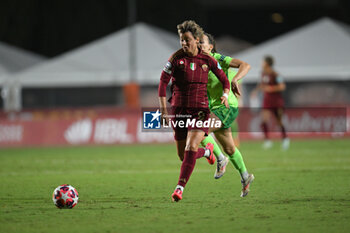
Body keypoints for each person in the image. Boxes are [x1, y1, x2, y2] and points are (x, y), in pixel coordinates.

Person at [158, 21, 230, 202]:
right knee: (183, 156)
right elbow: (162, 83)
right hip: (179, 110)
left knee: (191, 147)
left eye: (187, 40)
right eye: (182, 40)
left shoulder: (208, 59)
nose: (183, 43)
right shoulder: (175, 58)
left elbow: (224, 80)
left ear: (197, 40)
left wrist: (226, 95)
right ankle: (207, 152)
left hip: (200, 111)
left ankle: (179, 188)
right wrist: (163, 110)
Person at [199, 33, 254, 197]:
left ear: (211, 47)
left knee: (199, 130)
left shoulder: (218, 59)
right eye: (197, 42)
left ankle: (220, 159)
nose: (199, 44)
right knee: (230, 148)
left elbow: (245, 65)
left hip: (226, 106)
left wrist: (236, 79)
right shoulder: (196, 63)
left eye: (202, 42)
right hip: (213, 108)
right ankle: (245, 176)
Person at [251, 55, 289, 150]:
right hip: (267, 102)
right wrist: (255, 91)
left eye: (262, 62)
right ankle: (267, 141)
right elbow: (261, 84)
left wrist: (270, 88)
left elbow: (282, 86)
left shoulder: (275, 74)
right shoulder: (263, 74)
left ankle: (285, 139)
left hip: (277, 102)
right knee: (263, 120)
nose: (261, 64)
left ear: (267, 63)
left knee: (279, 122)